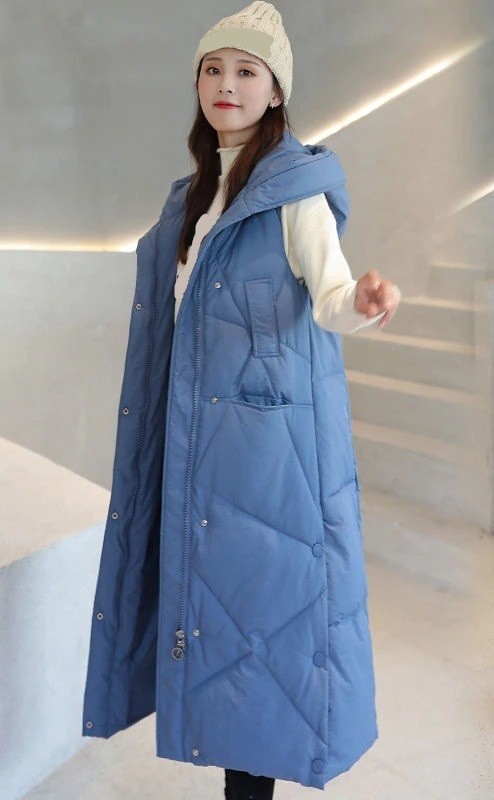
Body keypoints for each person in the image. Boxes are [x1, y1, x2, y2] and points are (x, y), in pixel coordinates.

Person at [81, 3, 402, 799]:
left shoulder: (294, 192)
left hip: (264, 469)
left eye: (247, 71)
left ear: (276, 90)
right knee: (220, 637)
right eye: (213, 69)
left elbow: (330, 295)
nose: (227, 83)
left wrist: (363, 301)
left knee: (259, 641)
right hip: (197, 452)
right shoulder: (192, 200)